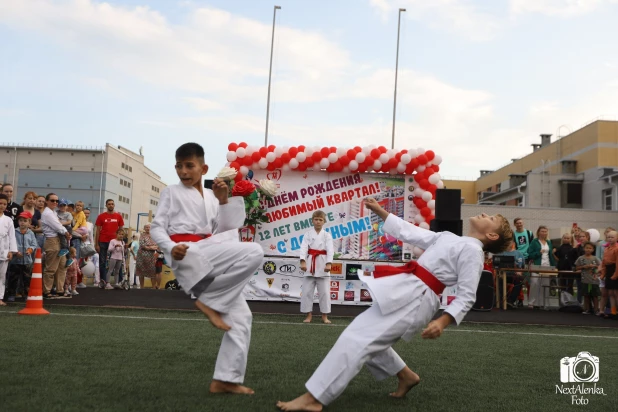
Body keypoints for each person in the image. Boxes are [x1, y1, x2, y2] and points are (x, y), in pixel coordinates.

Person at [276, 199, 513, 411]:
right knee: (367, 335)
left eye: (490, 218)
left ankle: (314, 398)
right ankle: (406, 375)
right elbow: (411, 232)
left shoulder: (473, 250)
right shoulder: (451, 238)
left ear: (491, 236)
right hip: (407, 289)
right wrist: (381, 212)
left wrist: (443, 320)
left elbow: (467, 295)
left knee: (357, 339)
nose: (484, 214)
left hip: (418, 299)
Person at [150, 142, 263, 395]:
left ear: (204, 168)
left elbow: (224, 232)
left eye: (189, 165)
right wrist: (170, 247)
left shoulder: (212, 196)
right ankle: (211, 301)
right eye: (179, 166)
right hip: (186, 253)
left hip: (208, 252)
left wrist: (223, 202)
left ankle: (225, 379)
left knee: (242, 319)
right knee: (255, 251)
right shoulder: (171, 191)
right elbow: (157, 227)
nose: (183, 171)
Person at [299, 210, 334, 324]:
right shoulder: (308, 234)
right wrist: (303, 261)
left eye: (320, 220)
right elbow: (304, 248)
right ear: (312, 220)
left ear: (324, 222)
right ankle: (308, 315)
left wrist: (329, 263)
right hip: (310, 263)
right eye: (316, 219)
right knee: (307, 291)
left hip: (323, 264)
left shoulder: (327, 235)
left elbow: (330, 250)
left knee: (324, 292)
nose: (318, 222)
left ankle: (324, 316)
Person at [40, 193, 71, 298]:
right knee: (51, 267)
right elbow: (57, 226)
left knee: (62, 266)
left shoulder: (53, 212)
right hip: (52, 240)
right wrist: (66, 233)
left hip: (59, 240)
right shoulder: (48, 213)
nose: (55, 203)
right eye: (52, 200)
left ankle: (59, 289)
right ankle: (46, 290)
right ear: (47, 202)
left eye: (57, 201)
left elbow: (59, 224)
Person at [6, 211, 38, 302]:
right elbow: (10, 243)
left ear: (29, 222)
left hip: (27, 260)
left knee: (26, 278)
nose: (22, 222)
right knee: (13, 278)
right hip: (15, 260)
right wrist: (15, 252)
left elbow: (34, 244)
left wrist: (30, 250)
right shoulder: (14, 232)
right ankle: (11, 294)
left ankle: (26, 294)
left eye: (25, 220)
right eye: (20, 220)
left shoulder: (31, 233)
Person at [94, 199, 124, 289]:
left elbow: (121, 230)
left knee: (118, 261)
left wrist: (122, 242)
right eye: (109, 204)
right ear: (106, 205)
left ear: (114, 205)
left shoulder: (118, 216)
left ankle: (118, 282)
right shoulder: (101, 216)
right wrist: (96, 244)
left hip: (115, 243)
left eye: (112, 204)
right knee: (103, 262)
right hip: (103, 241)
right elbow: (97, 230)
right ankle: (104, 282)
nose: (111, 205)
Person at [527, 225, 555, 309]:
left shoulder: (549, 242)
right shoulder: (534, 242)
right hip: (536, 265)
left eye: (545, 231)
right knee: (534, 283)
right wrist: (538, 252)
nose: (544, 233)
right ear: (538, 232)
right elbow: (529, 254)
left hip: (547, 265)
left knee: (545, 284)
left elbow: (551, 255)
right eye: (542, 231)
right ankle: (531, 302)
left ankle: (542, 302)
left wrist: (553, 266)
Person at [0, 194, 18, 306]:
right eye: (0, 203)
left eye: (4, 204)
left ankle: (0, 297)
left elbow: (12, 236)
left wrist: (11, 251)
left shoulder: (8, 220)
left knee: (2, 275)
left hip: (4, 250)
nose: (1, 206)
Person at [575, 242, 602, 315]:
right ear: (584, 249)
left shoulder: (595, 258)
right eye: (587, 248)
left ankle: (596, 310)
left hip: (594, 280)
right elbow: (576, 267)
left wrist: (594, 266)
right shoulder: (580, 258)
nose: (588, 250)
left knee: (595, 296)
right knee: (586, 296)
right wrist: (584, 267)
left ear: (593, 249)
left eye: (590, 248)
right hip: (585, 280)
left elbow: (600, 266)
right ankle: (587, 309)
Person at [600, 230, 618, 319]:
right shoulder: (606, 249)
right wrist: (603, 274)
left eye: (612, 237)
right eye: (609, 237)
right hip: (608, 270)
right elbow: (603, 262)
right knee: (611, 293)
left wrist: (615, 274)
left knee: (616, 293)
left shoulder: (617, 249)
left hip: (615, 269)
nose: (610, 239)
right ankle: (613, 311)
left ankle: (616, 311)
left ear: (617, 238)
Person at [136, 224, 158, 289]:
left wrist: (148, 247)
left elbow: (156, 245)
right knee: (141, 272)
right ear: (144, 228)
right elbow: (142, 245)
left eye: (149, 227)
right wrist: (151, 247)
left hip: (151, 257)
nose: (148, 228)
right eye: (146, 227)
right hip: (141, 257)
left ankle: (153, 287)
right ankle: (141, 287)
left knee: (153, 272)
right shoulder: (142, 235)